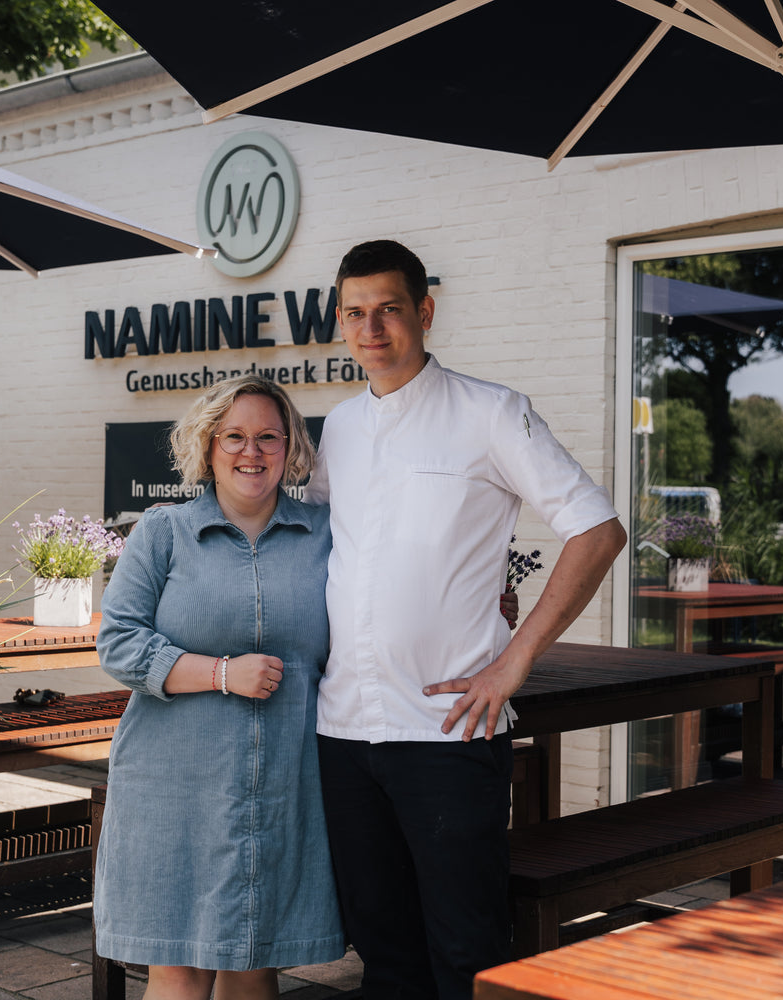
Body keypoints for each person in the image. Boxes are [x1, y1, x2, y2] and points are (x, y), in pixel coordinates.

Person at [306, 240, 627, 1000]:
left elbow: (598, 530)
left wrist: (514, 660)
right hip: (344, 732)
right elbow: (325, 552)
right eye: (355, 313)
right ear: (341, 324)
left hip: (447, 733)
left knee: (469, 954)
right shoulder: (340, 430)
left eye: (388, 309)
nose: (371, 327)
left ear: (424, 310)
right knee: (382, 955)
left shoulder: (490, 412)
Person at [95, 374, 343, 1000]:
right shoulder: (163, 532)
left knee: (254, 960)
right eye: (234, 437)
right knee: (177, 965)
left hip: (284, 780)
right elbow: (119, 642)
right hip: (175, 780)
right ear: (208, 447)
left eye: (267, 437)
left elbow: (377, 616)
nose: (250, 452)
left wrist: (480, 606)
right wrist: (223, 674)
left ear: (290, 449)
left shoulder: (327, 535)